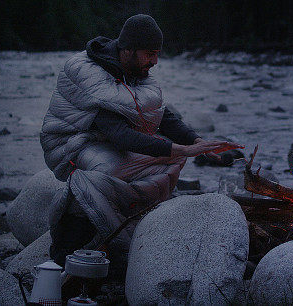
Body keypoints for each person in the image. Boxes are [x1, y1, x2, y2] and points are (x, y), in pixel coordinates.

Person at [39, 14, 233, 265]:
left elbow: (160, 115)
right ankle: (70, 245)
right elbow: (119, 134)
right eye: (149, 53)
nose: (154, 61)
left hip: (102, 141)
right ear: (128, 49)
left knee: (168, 161)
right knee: (111, 170)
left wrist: (195, 142)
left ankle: (128, 221)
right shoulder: (89, 73)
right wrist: (179, 149)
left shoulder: (131, 69)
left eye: (157, 54)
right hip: (71, 144)